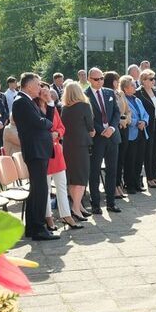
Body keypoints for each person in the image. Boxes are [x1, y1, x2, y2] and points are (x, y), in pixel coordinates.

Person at [11, 73, 58, 241]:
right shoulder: (21, 102)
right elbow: (41, 123)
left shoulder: (28, 101)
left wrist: (50, 104)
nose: (40, 87)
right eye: (38, 84)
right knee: (40, 190)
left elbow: (46, 120)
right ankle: (38, 228)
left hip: (40, 150)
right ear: (29, 85)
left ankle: (32, 227)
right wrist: (46, 123)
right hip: (35, 151)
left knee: (39, 190)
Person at [38, 85, 77, 230]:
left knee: (61, 185)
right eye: (43, 92)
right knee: (46, 188)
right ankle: (48, 217)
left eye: (47, 92)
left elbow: (61, 127)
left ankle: (66, 215)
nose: (46, 94)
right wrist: (50, 135)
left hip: (57, 151)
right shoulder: (36, 109)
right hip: (44, 153)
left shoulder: (52, 108)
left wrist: (58, 134)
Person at [85, 67, 121, 215]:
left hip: (112, 136)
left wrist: (112, 128)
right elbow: (88, 118)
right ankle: (95, 204)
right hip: (98, 138)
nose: (99, 81)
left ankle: (111, 202)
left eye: (101, 79)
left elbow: (117, 112)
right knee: (94, 171)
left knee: (112, 171)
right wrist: (101, 130)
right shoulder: (84, 95)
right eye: (96, 79)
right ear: (89, 79)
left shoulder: (109, 92)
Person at [61, 81, 94, 222]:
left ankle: (78, 206)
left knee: (73, 177)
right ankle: (75, 207)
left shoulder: (64, 108)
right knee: (81, 178)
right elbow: (90, 126)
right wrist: (92, 132)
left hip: (68, 145)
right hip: (81, 145)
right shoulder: (85, 106)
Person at [120, 76, 149, 194]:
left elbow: (146, 114)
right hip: (131, 133)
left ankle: (138, 183)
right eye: (132, 85)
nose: (134, 87)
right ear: (125, 88)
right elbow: (125, 116)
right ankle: (129, 184)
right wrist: (136, 122)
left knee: (139, 159)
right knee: (130, 160)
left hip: (142, 132)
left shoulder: (137, 100)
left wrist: (144, 122)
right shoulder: (123, 100)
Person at [105, 71, 131, 200]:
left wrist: (126, 120)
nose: (117, 82)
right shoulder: (106, 93)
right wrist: (118, 122)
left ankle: (119, 184)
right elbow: (109, 113)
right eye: (116, 80)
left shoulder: (120, 93)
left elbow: (127, 110)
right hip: (115, 128)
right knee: (115, 159)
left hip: (124, 127)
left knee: (122, 158)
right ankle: (114, 186)